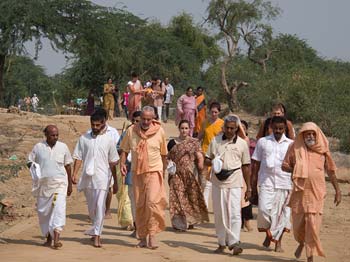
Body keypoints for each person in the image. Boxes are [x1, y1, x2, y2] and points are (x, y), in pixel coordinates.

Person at [282, 122, 341, 262]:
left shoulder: (323, 150)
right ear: (302, 135)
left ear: (317, 135)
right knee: (297, 227)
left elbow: (331, 171)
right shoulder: (294, 148)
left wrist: (338, 190)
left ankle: (310, 258)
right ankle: (301, 242)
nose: (310, 136)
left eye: (312, 134)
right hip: (299, 193)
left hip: (317, 193)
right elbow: (284, 166)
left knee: (312, 225)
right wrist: (294, 169)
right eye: (307, 134)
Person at [119, 106, 167, 249]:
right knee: (140, 205)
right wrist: (122, 163)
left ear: (153, 119)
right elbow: (124, 149)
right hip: (137, 172)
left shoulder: (160, 132)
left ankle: (152, 234)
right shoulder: (131, 131)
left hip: (154, 171)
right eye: (143, 119)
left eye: (148, 119)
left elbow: (164, 154)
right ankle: (142, 237)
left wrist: (163, 171)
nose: (145, 122)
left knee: (152, 203)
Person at [72, 109, 119, 248]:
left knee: (100, 206)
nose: (95, 127)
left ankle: (98, 235)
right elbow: (78, 157)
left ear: (104, 123)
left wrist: (115, 182)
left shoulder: (109, 140)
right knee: (92, 208)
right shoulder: (84, 138)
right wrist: (74, 174)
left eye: (98, 125)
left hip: (103, 178)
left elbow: (113, 162)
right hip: (87, 178)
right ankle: (94, 229)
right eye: (93, 125)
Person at [205, 115, 251, 255]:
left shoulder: (242, 144)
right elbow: (207, 159)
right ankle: (221, 243)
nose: (229, 131)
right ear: (223, 127)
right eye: (227, 128)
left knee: (235, 213)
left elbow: (246, 166)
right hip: (218, 182)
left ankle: (234, 242)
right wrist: (213, 162)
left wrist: (248, 187)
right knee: (219, 213)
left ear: (237, 129)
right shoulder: (216, 141)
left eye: (232, 128)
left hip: (235, 181)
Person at [251, 116, 293, 252]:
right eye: (275, 128)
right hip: (266, 182)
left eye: (281, 128)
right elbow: (256, 164)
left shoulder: (291, 144)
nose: (278, 131)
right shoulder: (263, 142)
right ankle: (269, 233)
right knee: (263, 210)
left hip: (285, 183)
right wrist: (253, 186)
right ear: (271, 127)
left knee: (282, 215)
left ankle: (278, 243)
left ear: (285, 128)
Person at [28, 125, 73, 249]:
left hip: (60, 184)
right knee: (45, 213)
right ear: (46, 135)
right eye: (52, 135)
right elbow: (29, 161)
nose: (55, 137)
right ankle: (48, 237)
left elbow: (68, 166)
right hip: (43, 185)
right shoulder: (38, 147)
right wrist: (34, 168)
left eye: (57, 135)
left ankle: (56, 238)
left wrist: (69, 184)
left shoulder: (63, 147)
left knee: (59, 209)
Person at [167, 120, 209, 231]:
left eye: (186, 128)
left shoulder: (194, 143)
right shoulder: (172, 143)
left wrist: (201, 170)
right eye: (182, 128)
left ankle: (191, 221)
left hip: (190, 174)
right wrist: (169, 167)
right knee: (177, 198)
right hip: (176, 174)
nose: (184, 130)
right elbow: (167, 158)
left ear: (189, 129)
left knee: (191, 198)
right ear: (179, 129)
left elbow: (199, 157)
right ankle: (179, 224)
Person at [117, 111, 142, 238]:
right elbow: (119, 148)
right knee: (133, 201)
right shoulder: (128, 133)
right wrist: (125, 159)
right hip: (131, 173)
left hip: (146, 174)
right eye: (136, 121)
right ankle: (137, 228)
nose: (138, 123)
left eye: (140, 121)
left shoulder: (150, 133)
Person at [197, 102, 224, 207]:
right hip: (205, 153)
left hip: (218, 154)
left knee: (217, 181)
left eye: (216, 112)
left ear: (219, 112)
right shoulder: (205, 123)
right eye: (212, 112)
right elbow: (200, 136)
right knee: (205, 181)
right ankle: (205, 205)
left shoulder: (222, 124)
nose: (213, 114)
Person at [240, 120, 255, 232]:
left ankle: (247, 221)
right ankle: (239, 222)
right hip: (233, 173)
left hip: (244, 171)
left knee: (246, 198)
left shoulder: (245, 140)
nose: (241, 129)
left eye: (243, 128)